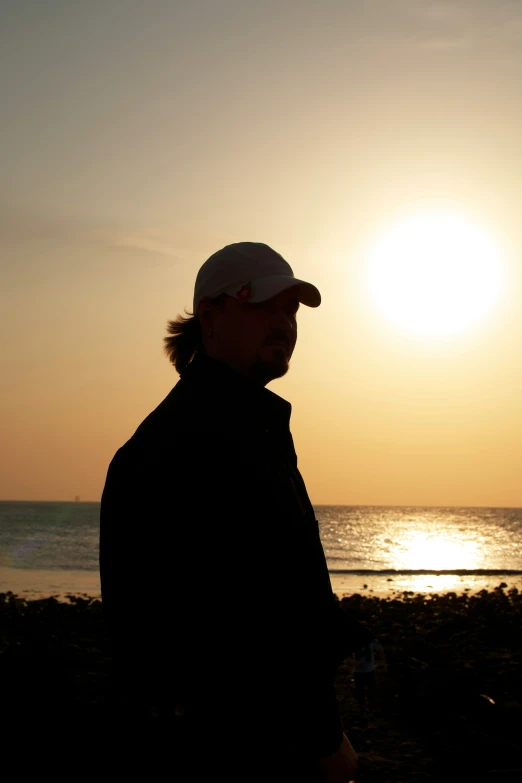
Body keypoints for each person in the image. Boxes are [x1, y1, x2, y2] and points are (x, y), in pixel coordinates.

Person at [99, 241, 374, 781]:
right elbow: (255, 618)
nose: (283, 322)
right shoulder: (203, 441)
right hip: (243, 750)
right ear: (210, 313)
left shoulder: (244, 428)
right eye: (262, 304)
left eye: (290, 309)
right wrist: (321, 739)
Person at [351, 633, 387, 725]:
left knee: (370, 690)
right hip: (359, 670)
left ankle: (370, 710)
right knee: (361, 691)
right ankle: (363, 711)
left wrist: (382, 662)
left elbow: (380, 650)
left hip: (368, 670)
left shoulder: (371, 640)